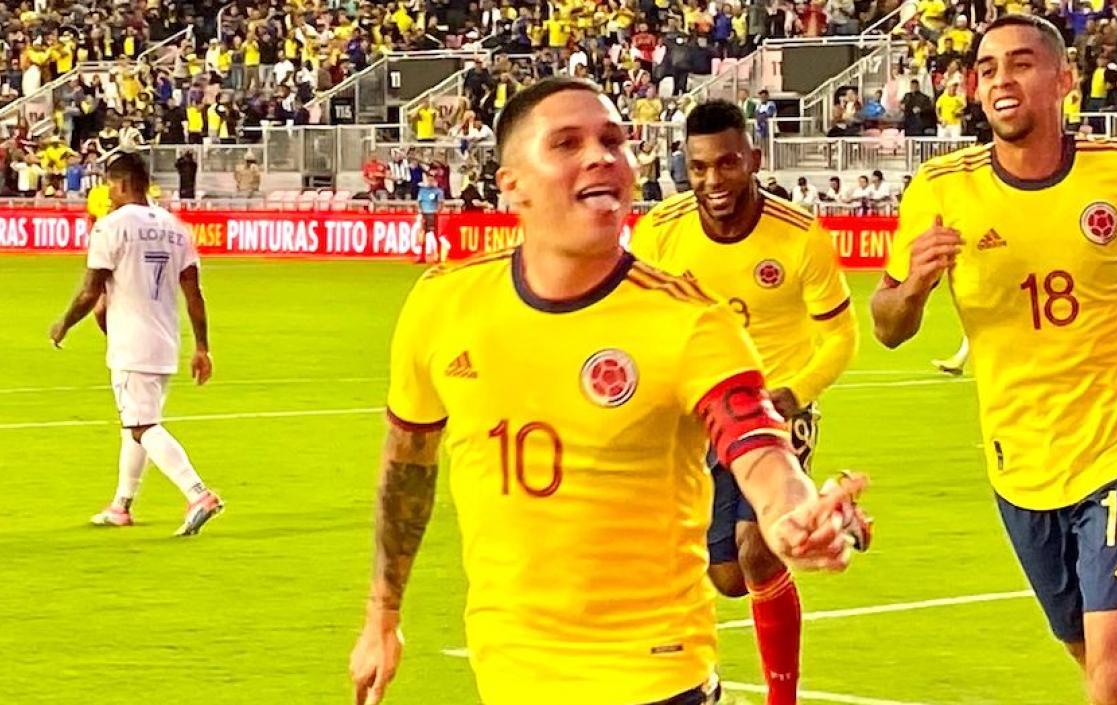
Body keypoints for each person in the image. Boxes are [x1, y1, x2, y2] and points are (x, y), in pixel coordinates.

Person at [348, 77, 870, 705]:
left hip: (654, 678)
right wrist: (382, 616)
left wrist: (789, 513)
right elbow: (407, 466)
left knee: (740, 566)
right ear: (509, 184)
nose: (600, 156)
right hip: (510, 675)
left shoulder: (691, 321)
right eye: (567, 143)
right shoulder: (442, 304)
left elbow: (759, 447)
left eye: (613, 141)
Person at [870, 15, 1117, 705]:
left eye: (1022, 63)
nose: (1003, 79)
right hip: (1020, 462)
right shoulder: (942, 190)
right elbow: (887, 325)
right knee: (1092, 660)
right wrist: (912, 287)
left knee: (1116, 674)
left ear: (1063, 80)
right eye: (989, 68)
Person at [631, 100, 861, 705]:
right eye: (699, 167)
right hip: (694, 416)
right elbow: (638, 321)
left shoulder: (798, 234)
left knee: (758, 548)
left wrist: (795, 394)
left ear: (753, 160)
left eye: (727, 164)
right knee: (727, 575)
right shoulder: (660, 231)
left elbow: (841, 335)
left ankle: (780, 698)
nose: (712, 181)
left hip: (774, 411)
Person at [48, 153, 224, 536]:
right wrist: (202, 347)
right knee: (136, 423)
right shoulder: (176, 227)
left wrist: (64, 324)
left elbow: (90, 291)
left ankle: (198, 493)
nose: (108, 193)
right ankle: (121, 505)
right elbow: (194, 293)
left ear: (125, 183)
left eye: (110, 184)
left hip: (131, 340)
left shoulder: (111, 227)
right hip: (165, 339)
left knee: (143, 425)